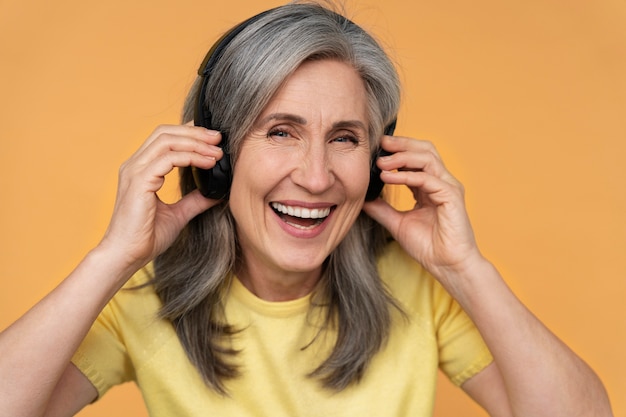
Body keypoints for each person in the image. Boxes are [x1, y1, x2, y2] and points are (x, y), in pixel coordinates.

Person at [0, 2, 614, 416]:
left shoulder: (419, 288)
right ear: (216, 155)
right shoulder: (141, 301)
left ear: (376, 166)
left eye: (345, 138)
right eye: (280, 132)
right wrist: (113, 257)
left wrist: (466, 269)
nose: (317, 177)